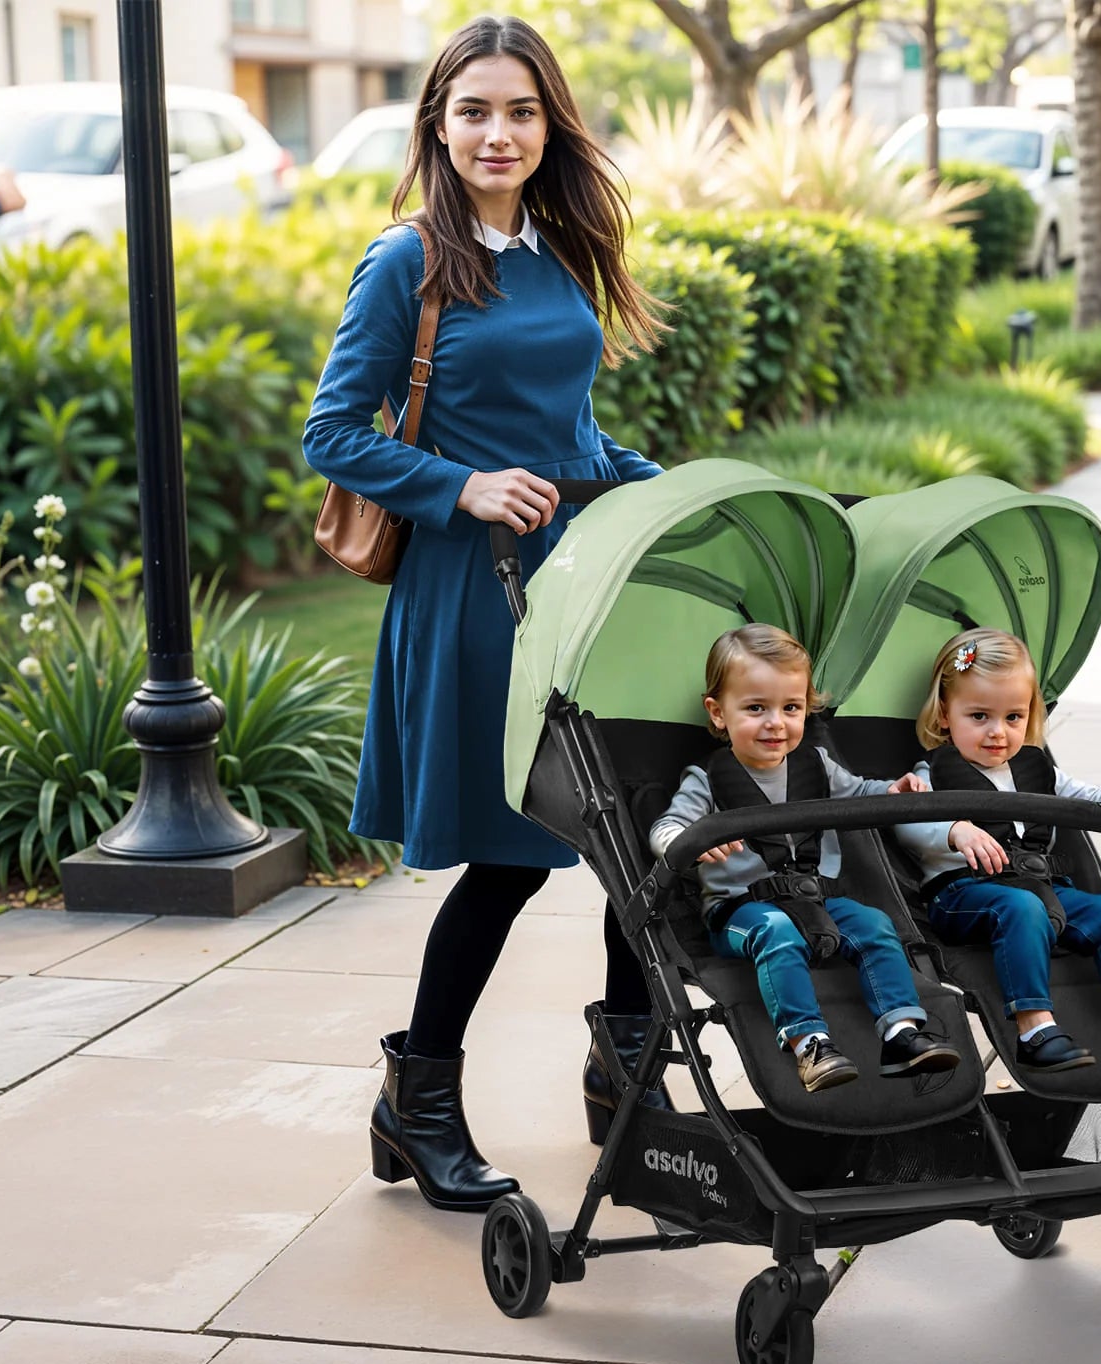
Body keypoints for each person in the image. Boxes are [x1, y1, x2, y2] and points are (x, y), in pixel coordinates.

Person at [303, 17, 668, 1211]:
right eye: (473, 112)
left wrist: (655, 481)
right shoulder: (405, 261)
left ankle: (630, 1084)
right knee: (514, 861)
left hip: (580, 587)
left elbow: (566, 435)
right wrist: (458, 487)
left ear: (549, 122)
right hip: (475, 596)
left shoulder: (559, 255)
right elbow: (334, 434)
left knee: (637, 843)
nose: (497, 133)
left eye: (519, 111)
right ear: (438, 127)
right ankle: (417, 1107)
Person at [649, 625, 962, 1093]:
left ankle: (901, 1033)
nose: (776, 723)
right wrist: (688, 841)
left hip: (817, 901)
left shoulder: (817, 765)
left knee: (875, 925)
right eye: (756, 708)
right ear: (718, 713)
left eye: (790, 708)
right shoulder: (709, 778)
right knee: (775, 933)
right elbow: (665, 828)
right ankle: (809, 1043)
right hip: (741, 910)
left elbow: (859, 794)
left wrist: (893, 790)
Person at [894, 630, 1101, 1074]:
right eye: (980, 716)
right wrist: (954, 831)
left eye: (1013, 717)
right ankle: (1034, 1029)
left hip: (1044, 891)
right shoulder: (932, 773)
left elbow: (1089, 796)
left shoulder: (1037, 769)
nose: (997, 732)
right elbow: (906, 823)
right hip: (965, 896)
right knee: (1021, 907)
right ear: (946, 715)